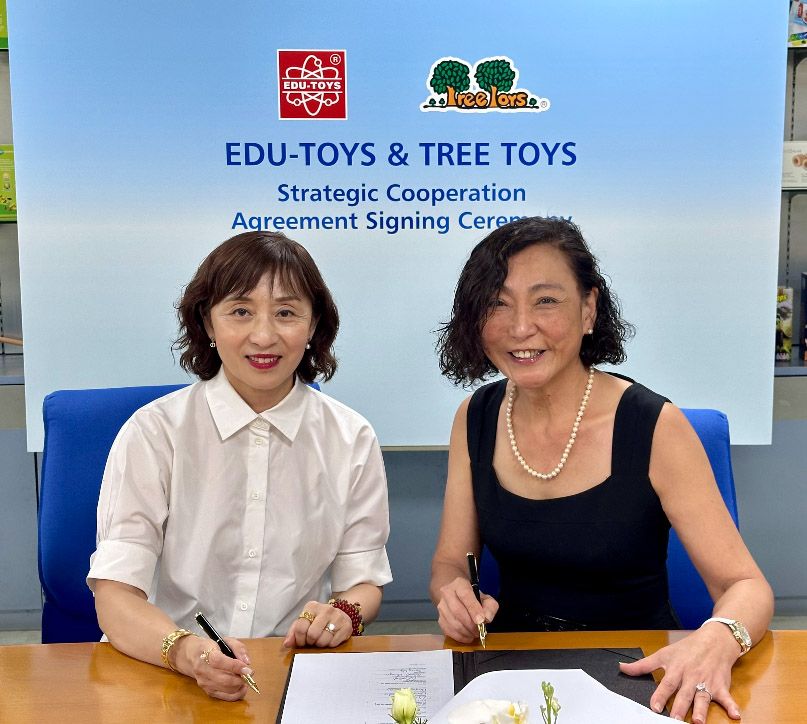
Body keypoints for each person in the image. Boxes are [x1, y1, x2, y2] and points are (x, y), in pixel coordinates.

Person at [430, 217, 773, 724]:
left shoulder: (654, 425)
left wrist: (719, 638)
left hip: (637, 674)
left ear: (589, 309)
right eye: (497, 303)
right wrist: (453, 595)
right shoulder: (475, 416)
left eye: (546, 300)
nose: (520, 327)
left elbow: (747, 586)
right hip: (509, 679)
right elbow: (449, 564)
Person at [88, 231, 392, 701]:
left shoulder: (352, 438)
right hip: (164, 671)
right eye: (240, 311)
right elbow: (114, 595)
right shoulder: (154, 432)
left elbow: (363, 583)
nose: (264, 336)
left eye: (286, 313)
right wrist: (187, 652)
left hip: (289, 673)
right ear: (207, 323)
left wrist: (342, 615)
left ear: (314, 325)